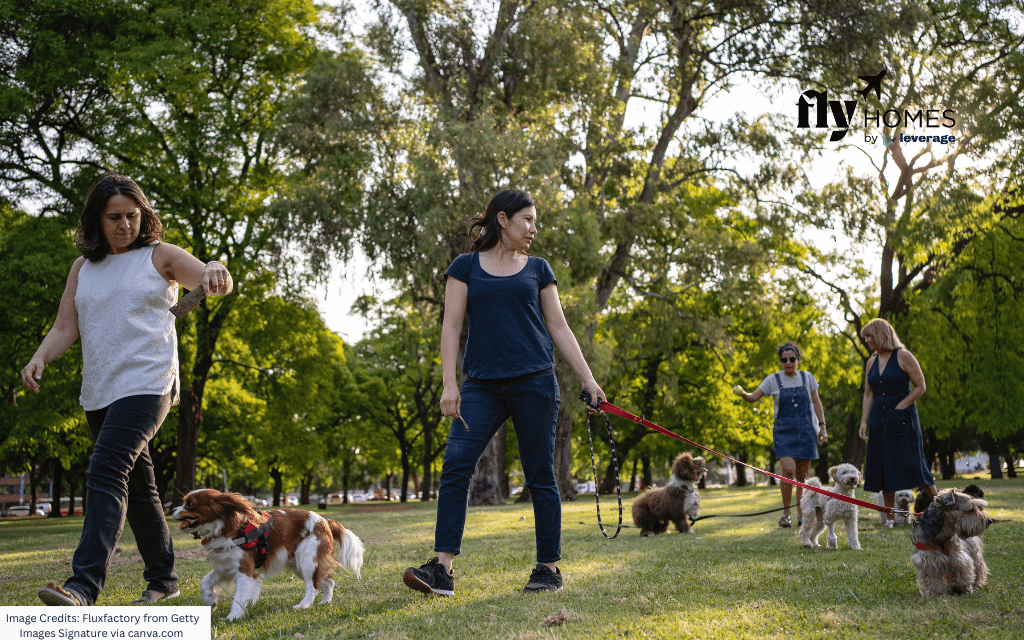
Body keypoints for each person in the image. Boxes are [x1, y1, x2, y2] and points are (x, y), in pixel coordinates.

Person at [20, 173, 233, 606]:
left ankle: (83, 586)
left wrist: (215, 270)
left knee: (104, 470)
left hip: (147, 383)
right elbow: (65, 326)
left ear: (144, 216)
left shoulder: (160, 257)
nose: (124, 225)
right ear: (96, 220)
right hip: (99, 389)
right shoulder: (83, 268)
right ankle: (164, 579)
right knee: (139, 489)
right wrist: (40, 356)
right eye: (114, 217)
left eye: (132, 216)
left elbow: (215, 281)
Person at [401, 189, 606, 596]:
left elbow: (559, 327)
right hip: (481, 385)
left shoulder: (538, 269)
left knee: (540, 475)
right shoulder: (465, 267)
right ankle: (442, 570)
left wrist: (588, 379)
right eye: (527, 219)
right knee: (456, 464)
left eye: (535, 221)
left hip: (534, 381)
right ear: (502, 220)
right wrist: (449, 383)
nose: (533, 228)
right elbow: (451, 326)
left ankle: (547, 568)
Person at [732, 341, 828, 528]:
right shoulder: (773, 380)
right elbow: (753, 397)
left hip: (805, 430)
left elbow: (817, 404)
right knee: (788, 470)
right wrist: (741, 392)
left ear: (798, 359)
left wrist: (823, 427)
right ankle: (786, 513)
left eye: (792, 359)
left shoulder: (808, 378)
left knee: (802, 475)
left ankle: (801, 513)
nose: (788, 362)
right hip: (783, 431)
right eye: (784, 359)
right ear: (780, 361)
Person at [858, 318, 937, 527]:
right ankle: (890, 519)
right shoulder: (871, 362)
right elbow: (868, 395)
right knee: (884, 467)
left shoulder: (903, 356)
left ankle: (941, 508)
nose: (867, 341)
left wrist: (902, 406)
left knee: (914, 464)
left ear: (881, 334)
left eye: (869, 337)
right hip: (878, 419)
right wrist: (864, 421)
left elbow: (920, 386)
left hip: (903, 419)